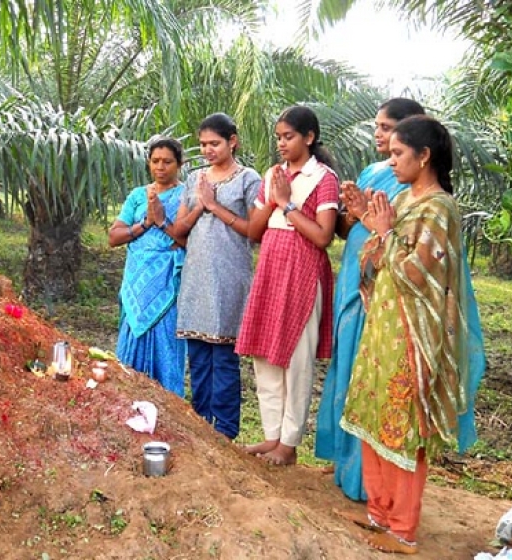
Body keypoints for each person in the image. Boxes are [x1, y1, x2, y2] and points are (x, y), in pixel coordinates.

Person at [316, 99, 486, 502]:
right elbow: (379, 258)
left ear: (423, 155)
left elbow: (419, 272)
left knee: (404, 421)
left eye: (397, 151)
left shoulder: (439, 207)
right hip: (382, 321)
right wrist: (369, 223)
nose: (390, 160)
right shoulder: (407, 198)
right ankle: (377, 507)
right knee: (374, 409)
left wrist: (385, 233)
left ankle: (400, 523)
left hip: (412, 331)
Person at [315, 98, 426, 498]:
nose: (379, 135)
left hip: (382, 289)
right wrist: (350, 211)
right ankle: (344, 463)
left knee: (371, 375)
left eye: (387, 128)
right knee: (348, 366)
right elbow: (350, 229)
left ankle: (368, 480)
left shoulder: (417, 184)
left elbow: (397, 237)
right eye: (377, 127)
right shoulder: (373, 170)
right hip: (352, 277)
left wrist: (366, 216)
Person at [235, 105, 339, 466]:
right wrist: (273, 197)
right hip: (271, 268)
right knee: (264, 352)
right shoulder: (273, 173)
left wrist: (287, 203)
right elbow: (254, 229)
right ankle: (271, 435)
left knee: (296, 357)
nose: (281, 143)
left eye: (289, 136)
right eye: (278, 137)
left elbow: (323, 237)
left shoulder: (324, 178)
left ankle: (290, 443)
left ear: (308, 138)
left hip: (303, 272)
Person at [169, 113, 261, 439]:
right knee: (197, 356)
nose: (207, 150)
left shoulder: (248, 179)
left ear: (232, 141)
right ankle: (200, 427)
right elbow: (179, 230)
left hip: (228, 275)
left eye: (215, 143)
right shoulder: (195, 179)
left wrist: (216, 206)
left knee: (223, 357)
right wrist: (200, 206)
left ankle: (224, 432)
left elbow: (256, 230)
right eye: (203, 144)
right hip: (196, 275)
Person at [109, 136, 188, 396]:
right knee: (132, 335)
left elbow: (186, 238)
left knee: (165, 339)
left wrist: (163, 221)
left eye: (167, 162)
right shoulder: (137, 196)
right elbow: (114, 236)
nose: (160, 167)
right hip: (136, 280)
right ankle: (129, 399)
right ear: (148, 163)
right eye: (155, 161)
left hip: (167, 280)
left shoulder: (187, 196)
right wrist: (145, 223)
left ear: (179, 164)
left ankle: (167, 404)